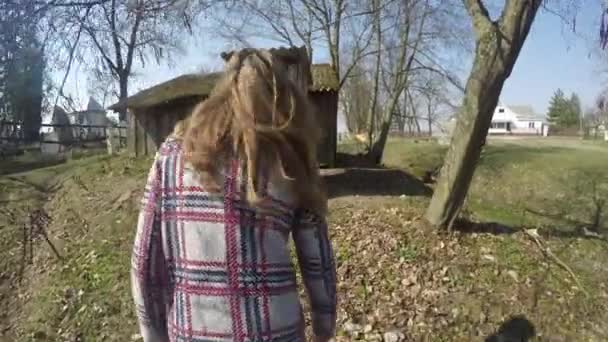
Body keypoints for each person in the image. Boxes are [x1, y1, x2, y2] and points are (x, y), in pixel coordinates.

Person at [130, 48, 337, 342]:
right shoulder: (291, 159)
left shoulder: (173, 155)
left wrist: (154, 334)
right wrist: (324, 327)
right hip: (276, 332)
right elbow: (318, 260)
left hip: (192, 330)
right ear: (282, 97)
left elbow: (145, 263)